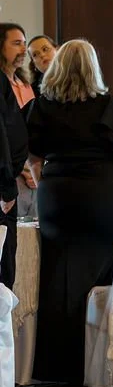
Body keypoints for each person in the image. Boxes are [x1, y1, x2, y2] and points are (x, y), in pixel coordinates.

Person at [26, 39, 113, 386]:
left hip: (56, 197)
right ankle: (99, 360)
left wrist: (46, 181)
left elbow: (32, 157)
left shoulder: (42, 107)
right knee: (101, 269)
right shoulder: (106, 106)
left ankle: (57, 366)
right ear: (93, 67)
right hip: (99, 194)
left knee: (58, 271)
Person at [0, 25, 30, 293]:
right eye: (16, 43)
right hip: (4, 186)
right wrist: (7, 187)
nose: (24, 49)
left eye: (24, 43)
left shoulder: (20, 83)